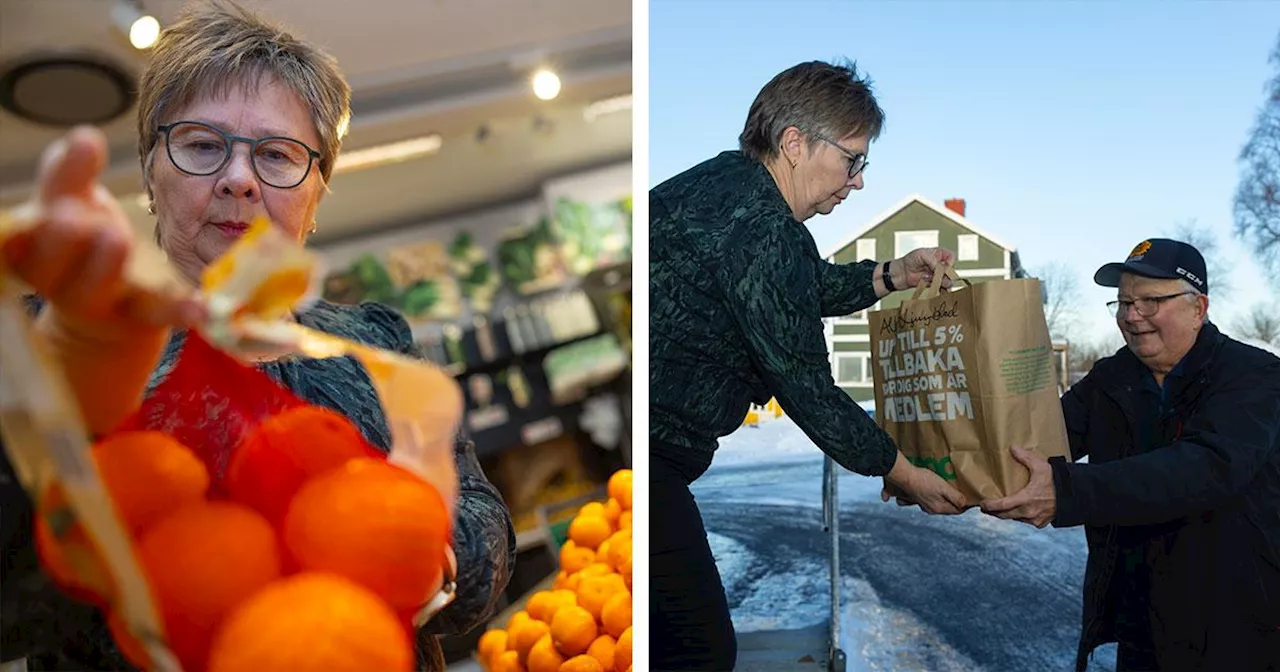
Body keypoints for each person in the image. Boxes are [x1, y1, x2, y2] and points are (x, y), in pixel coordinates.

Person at [0, 3, 515, 670]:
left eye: (276, 154)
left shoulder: (372, 346)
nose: (239, 179)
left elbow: (482, 521)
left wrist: (429, 561)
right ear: (152, 169)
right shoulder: (60, 336)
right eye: (204, 145)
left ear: (317, 189)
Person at [649, 59, 966, 670]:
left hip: (651, 456)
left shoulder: (723, 185)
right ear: (794, 143)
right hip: (655, 460)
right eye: (853, 159)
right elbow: (806, 386)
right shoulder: (766, 230)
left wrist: (892, 274)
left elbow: (804, 285)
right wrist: (902, 470)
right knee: (700, 648)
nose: (858, 181)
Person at [982, 238, 1280, 671]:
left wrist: (1067, 492)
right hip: (1143, 625)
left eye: (1149, 301)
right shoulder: (1111, 378)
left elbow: (1206, 468)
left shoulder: (1254, 376)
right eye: (1122, 303)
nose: (1131, 316)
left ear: (1199, 308)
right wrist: (949, 463)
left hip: (1238, 625)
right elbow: (1039, 438)